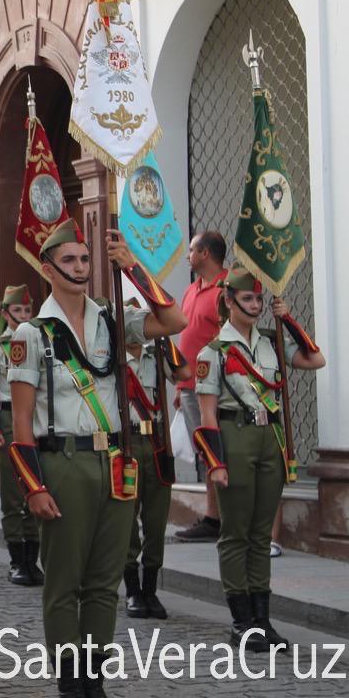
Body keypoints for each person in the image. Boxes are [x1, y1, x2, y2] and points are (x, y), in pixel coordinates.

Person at [7, 221, 186, 696]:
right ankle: (70, 683)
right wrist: (33, 486)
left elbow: (175, 322)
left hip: (115, 461)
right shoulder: (31, 333)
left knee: (105, 582)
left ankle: (94, 679)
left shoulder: (111, 318)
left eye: (86, 258)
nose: (80, 267)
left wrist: (134, 268)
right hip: (64, 462)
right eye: (69, 260)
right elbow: (21, 421)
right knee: (65, 581)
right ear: (48, 268)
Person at [193, 265, 323, 652]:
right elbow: (207, 415)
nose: (255, 305)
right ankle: (242, 622)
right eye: (247, 298)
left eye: (259, 299)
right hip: (234, 437)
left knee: (261, 534)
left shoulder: (271, 341)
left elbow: (315, 360)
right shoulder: (213, 352)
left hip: (270, 438)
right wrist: (215, 463)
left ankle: (262, 620)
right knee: (236, 532)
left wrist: (289, 320)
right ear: (229, 300)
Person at [122, 298, 190, 621]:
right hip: (127, 443)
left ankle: (150, 589)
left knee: (156, 519)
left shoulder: (157, 354)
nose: (142, 330)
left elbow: (184, 373)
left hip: (156, 442)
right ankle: (132, 590)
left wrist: (165, 341)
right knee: (127, 520)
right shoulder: (110, 361)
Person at [0, 284, 42, 586]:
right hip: (7, 417)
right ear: (5, 313)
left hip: (35, 417)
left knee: (35, 484)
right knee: (12, 490)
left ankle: (33, 558)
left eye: (28, 310)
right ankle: (17, 560)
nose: (24, 315)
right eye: (17, 310)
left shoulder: (39, 341)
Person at [174, 232, 228, 542]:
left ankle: (221, 517)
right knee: (207, 453)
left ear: (205, 253)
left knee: (219, 451)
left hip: (214, 387)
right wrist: (181, 386)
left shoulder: (226, 289)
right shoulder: (191, 289)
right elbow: (188, 337)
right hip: (190, 385)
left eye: (192, 250)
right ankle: (213, 517)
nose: (188, 255)